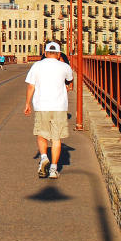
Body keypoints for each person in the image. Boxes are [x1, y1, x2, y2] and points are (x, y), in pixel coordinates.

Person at [23, 41, 75, 179]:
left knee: (42, 134)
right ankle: (53, 169)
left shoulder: (37, 66)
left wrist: (27, 103)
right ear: (58, 54)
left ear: (45, 53)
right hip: (59, 107)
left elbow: (31, 87)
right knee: (56, 138)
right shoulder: (65, 67)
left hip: (42, 106)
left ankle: (44, 157)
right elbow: (70, 81)